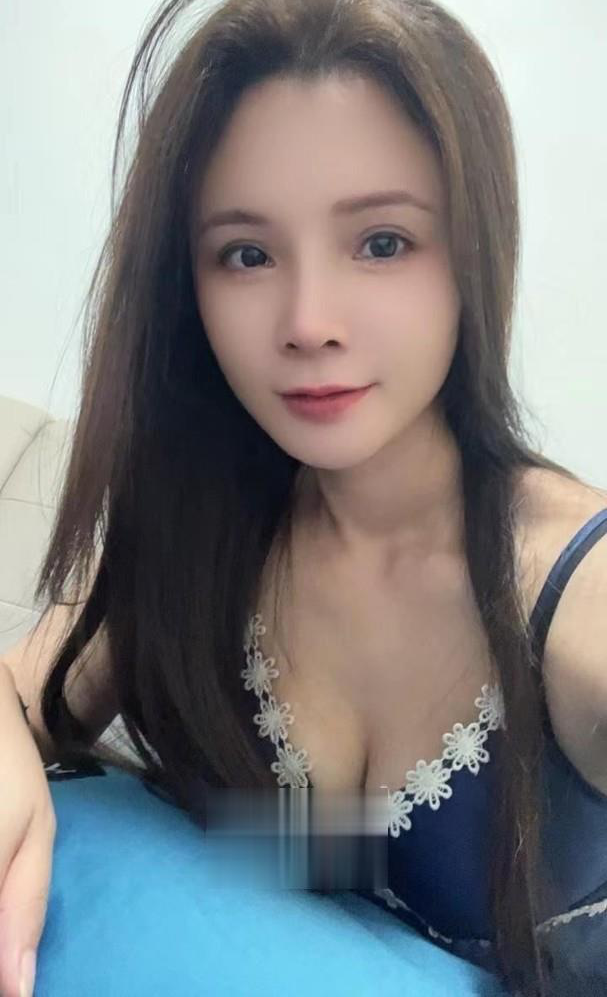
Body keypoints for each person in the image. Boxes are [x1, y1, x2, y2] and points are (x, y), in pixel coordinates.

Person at [1, 0, 606, 994]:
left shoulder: (575, 596)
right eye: (247, 253)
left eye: (381, 242)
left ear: (473, 250)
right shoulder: (208, 538)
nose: (308, 321)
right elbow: (19, 687)